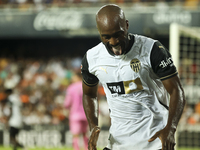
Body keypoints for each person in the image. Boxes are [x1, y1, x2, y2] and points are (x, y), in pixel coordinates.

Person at [81, 4, 186, 150]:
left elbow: (177, 91)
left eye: (118, 34)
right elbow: (88, 94)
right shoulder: (92, 58)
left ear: (127, 25)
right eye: (106, 37)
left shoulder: (152, 49)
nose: (113, 41)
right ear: (99, 33)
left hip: (155, 142)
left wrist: (171, 128)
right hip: (117, 144)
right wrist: (93, 126)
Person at [64, 72, 89, 150]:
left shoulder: (71, 87)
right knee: (85, 133)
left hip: (75, 114)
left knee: (75, 134)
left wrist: (66, 108)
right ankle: (86, 148)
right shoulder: (86, 86)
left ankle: (76, 148)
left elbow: (67, 103)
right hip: (86, 114)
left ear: (77, 77)